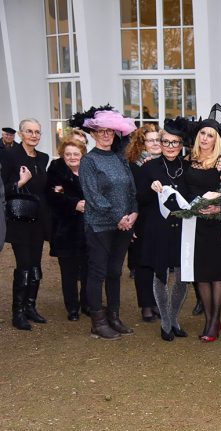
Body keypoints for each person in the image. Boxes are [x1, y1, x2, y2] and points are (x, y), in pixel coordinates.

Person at [74, 107, 138, 340]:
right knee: (98, 272)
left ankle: (114, 316)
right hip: (100, 225)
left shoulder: (120, 158)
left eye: (109, 131)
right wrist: (117, 218)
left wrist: (134, 214)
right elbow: (93, 196)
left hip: (123, 225)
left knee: (114, 272)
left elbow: (132, 190)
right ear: (92, 133)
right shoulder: (89, 161)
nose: (105, 135)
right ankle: (97, 322)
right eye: (100, 131)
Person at [185, 104, 221, 342]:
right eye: (203, 134)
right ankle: (209, 318)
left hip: (214, 224)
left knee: (216, 275)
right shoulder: (189, 159)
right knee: (200, 275)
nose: (205, 138)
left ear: (217, 140)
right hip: (192, 225)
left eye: (210, 135)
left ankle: (214, 322)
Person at [143, 118, 192, 341]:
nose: (170, 147)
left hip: (184, 228)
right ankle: (164, 322)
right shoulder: (150, 167)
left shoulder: (189, 168)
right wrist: (150, 189)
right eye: (166, 142)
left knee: (183, 277)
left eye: (175, 143)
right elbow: (139, 199)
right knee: (160, 275)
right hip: (159, 228)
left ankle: (173, 319)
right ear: (160, 143)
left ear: (181, 145)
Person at [1, 118, 51, 330]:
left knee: (35, 264)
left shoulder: (43, 158)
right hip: (20, 219)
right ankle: (18, 312)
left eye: (37, 132)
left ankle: (31, 306)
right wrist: (19, 183)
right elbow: (3, 188)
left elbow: (43, 188)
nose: (34, 135)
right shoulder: (10, 156)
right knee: (24, 264)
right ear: (21, 134)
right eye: (29, 131)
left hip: (39, 220)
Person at [46, 139, 89, 321]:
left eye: (76, 154)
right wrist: (74, 204)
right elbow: (51, 197)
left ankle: (87, 303)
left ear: (82, 155)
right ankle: (72, 307)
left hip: (89, 230)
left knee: (88, 269)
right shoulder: (56, 173)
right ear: (63, 156)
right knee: (69, 272)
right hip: (66, 230)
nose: (72, 157)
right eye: (68, 154)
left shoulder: (89, 172)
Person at [125, 124, 162, 322]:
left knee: (159, 265)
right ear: (142, 143)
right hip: (141, 219)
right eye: (151, 140)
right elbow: (133, 195)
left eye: (158, 140)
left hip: (163, 220)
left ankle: (157, 302)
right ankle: (146, 305)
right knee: (143, 264)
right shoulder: (133, 165)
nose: (155, 143)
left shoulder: (167, 162)